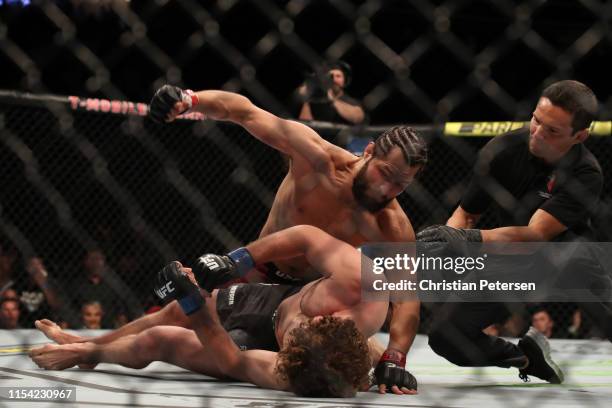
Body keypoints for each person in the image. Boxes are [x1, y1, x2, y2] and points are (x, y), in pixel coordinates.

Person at [148, 84, 428, 393]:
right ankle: (95, 347)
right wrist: (192, 100)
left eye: (400, 185)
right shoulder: (317, 158)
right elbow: (243, 111)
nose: (387, 190)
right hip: (258, 271)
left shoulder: (393, 225)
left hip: (312, 299)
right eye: (385, 174)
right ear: (370, 151)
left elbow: (407, 298)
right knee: (172, 316)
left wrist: (396, 356)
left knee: (353, 357)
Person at [30, 226, 417, 397]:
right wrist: (236, 261)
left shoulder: (293, 374)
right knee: (171, 312)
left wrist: (192, 299)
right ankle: (90, 342)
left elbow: (232, 359)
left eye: (298, 336)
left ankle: (89, 352)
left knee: (162, 338)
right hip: (278, 299)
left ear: (295, 356)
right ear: (333, 319)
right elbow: (306, 236)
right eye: (318, 320)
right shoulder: (360, 288)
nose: (305, 322)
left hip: (254, 344)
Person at [418, 80, 610, 383]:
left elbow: (536, 235)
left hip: (568, 258)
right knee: (446, 337)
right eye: (536, 120)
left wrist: (468, 239)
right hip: (513, 260)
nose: (537, 133)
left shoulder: (586, 172)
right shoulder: (501, 151)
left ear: (579, 136)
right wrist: (447, 247)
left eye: (553, 131)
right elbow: (466, 214)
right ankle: (525, 359)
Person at [298, 61, 365, 125]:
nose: (334, 80)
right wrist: (308, 98)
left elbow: (358, 118)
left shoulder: (351, 101)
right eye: (330, 76)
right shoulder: (317, 100)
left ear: (345, 81)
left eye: (338, 76)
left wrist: (333, 100)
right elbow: (305, 124)